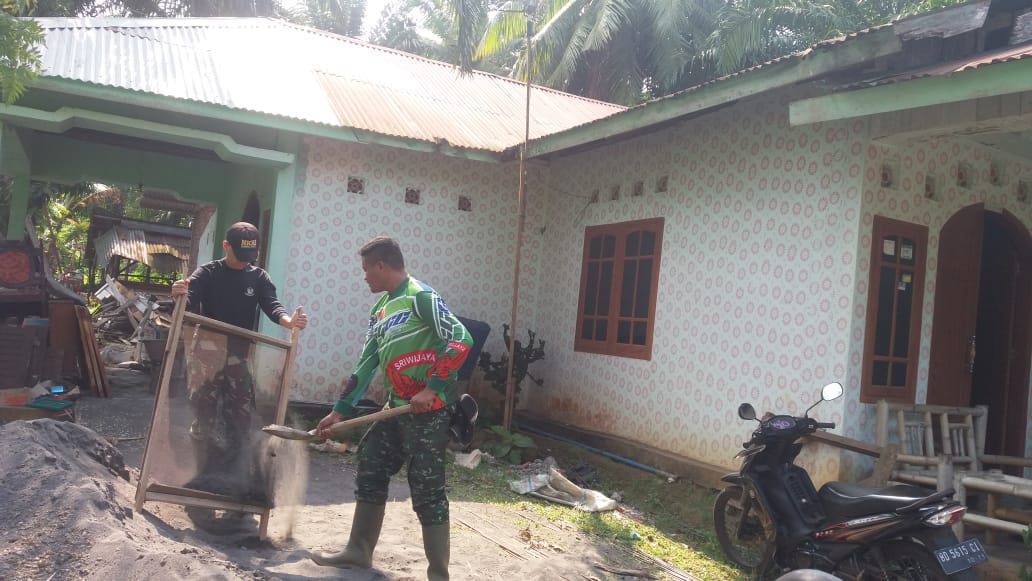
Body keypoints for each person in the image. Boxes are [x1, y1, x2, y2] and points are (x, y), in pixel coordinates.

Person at [312, 236, 472, 581]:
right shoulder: (380, 309)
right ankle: (358, 551)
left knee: (427, 488)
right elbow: (367, 361)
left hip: (430, 411)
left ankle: (438, 574)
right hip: (396, 407)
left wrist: (432, 388)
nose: (364, 276)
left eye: (366, 269)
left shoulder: (421, 298)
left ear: (382, 266)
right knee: (371, 461)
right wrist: (340, 411)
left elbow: (461, 339)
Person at [170, 221, 307, 502]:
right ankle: (203, 475)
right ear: (225, 246)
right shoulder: (207, 273)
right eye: (239, 255)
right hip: (206, 353)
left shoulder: (258, 278)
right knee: (204, 415)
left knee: (242, 417)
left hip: (238, 354)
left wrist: (288, 321)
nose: (244, 263)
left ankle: (237, 479)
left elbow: (272, 306)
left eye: (249, 257)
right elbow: (188, 299)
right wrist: (179, 293)